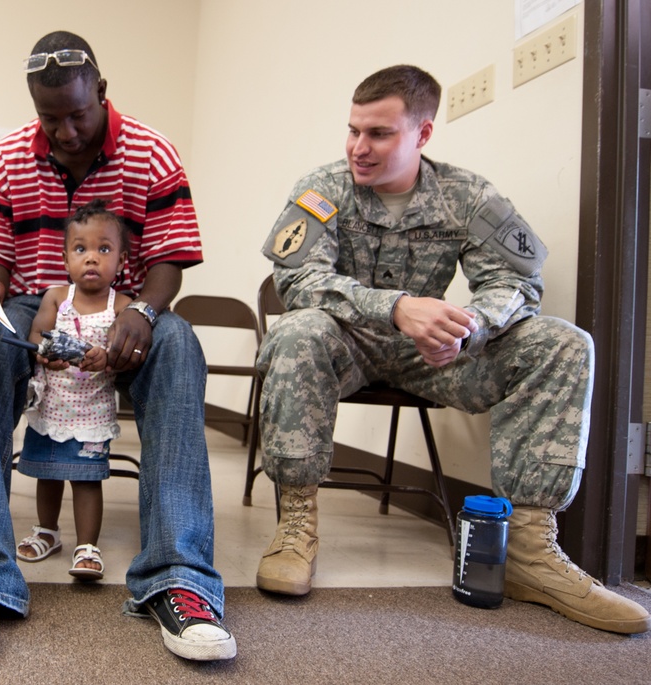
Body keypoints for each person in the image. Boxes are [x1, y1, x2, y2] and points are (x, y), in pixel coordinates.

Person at [255, 64, 650, 634]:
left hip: (432, 354)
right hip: (344, 344)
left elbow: (516, 284)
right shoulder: (322, 188)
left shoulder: (469, 195)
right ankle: (295, 527)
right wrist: (393, 306)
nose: (358, 148)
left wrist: (469, 326)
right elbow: (297, 281)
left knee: (561, 342)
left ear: (423, 134)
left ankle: (531, 554)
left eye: (379, 134)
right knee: (297, 330)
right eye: (352, 130)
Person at [0, 31, 236, 661]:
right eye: (49, 118)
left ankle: (180, 577)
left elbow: (170, 261)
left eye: (78, 114)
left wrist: (145, 309)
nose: (65, 131)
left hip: (126, 311)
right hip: (33, 309)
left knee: (178, 344)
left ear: (102, 92)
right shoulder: (6, 158)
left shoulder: (150, 152)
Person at [14, 200, 133, 582]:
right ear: (66, 259)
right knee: (47, 473)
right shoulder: (55, 298)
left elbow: (123, 352)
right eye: (81, 249)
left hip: (92, 411)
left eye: (104, 249)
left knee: (86, 478)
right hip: (52, 406)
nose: (92, 259)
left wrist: (107, 357)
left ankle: (87, 545)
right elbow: (37, 335)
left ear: (121, 260)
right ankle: (47, 531)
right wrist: (47, 354)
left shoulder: (122, 306)